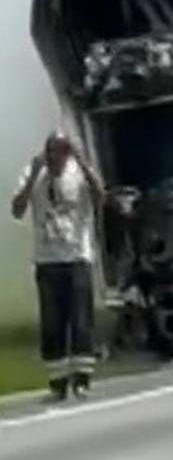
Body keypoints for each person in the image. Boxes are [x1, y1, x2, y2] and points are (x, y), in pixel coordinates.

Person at [10, 132, 104, 401]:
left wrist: (83, 162)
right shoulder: (34, 172)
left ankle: (82, 378)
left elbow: (101, 195)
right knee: (52, 323)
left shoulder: (78, 173)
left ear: (67, 154)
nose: (55, 160)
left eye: (61, 153)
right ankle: (58, 379)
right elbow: (17, 209)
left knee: (80, 319)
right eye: (51, 153)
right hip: (47, 259)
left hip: (77, 255)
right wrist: (32, 177)